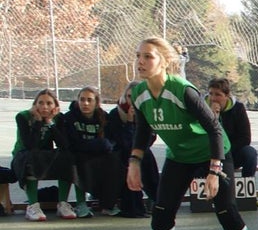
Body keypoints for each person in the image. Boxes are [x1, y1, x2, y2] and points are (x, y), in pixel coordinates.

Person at [125, 36, 258, 230]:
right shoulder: (139, 93)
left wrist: (214, 172)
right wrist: (134, 162)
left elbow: (214, 129)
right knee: (161, 213)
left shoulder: (182, 90)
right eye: (138, 56)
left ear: (164, 61)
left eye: (148, 56)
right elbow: (144, 131)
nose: (141, 62)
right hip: (180, 156)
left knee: (227, 212)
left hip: (212, 152)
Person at [10, 89, 75, 221]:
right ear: (35, 105)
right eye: (41, 103)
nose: (44, 106)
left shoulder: (58, 118)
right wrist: (39, 121)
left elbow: (63, 144)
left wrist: (50, 122)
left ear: (55, 106)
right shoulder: (23, 117)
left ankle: (63, 204)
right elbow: (30, 145)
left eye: (49, 103)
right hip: (23, 156)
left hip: (44, 155)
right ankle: (33, 206)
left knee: (67, 156)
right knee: (31, 158)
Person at [61, 86, 119, 217]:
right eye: (82, 100)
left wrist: (104, 145)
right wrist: (98, 144)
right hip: (79, 154)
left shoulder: (104, 117)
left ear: (96, 102)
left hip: (99, 154)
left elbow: (111, 140)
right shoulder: (70, 117)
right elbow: (73, 143)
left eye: (89, 100)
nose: (85, 103)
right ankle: (81, 204)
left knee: (115, 161)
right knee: (79, 162)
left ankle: (107, 204)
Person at [108, 84, 158, 218]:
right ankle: (133, 206)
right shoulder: (116, 113)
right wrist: (129, 123)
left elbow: (150, 139)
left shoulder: (147, 113)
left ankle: (156, 198)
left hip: (139, 152)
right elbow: (124, 143)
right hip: (118, 152)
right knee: (132, 160)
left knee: (146, 155)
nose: (133, 101)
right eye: (130, 97)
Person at [207, 77, 257, 178]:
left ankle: (246, 187)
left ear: (227, 95)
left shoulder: (238, 109)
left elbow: (245, 138)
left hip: (231, 151)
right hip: (208, 153)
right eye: (211, 93)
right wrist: (212, 117)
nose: (213, 98)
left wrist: (225, 151)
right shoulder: (202, 107)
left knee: (250, 153)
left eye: (218, 94)